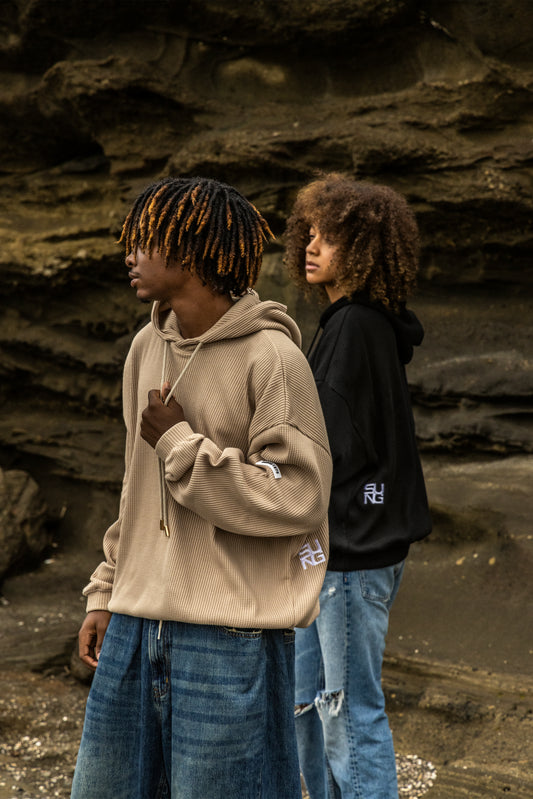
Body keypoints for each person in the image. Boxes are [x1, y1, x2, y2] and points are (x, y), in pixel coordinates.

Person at [70, 176, 332, 799]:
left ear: (190, 252)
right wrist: (106, 590)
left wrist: (181, 445)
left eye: (146, 241)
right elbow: (135, 489)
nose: (130, 254)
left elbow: (298, 497)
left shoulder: (274, 359)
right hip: (135, 621)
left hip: (229, 634)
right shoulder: (145, 347)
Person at [284, 173, 432, 799]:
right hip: (343, 551)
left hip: (348, 555)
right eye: (309, 234)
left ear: (365, 248)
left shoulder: (353, 327)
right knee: (307, 704)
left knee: (347, 710)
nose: (311, 246)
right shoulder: (362, 325)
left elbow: (328, 448)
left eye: (330, 237)